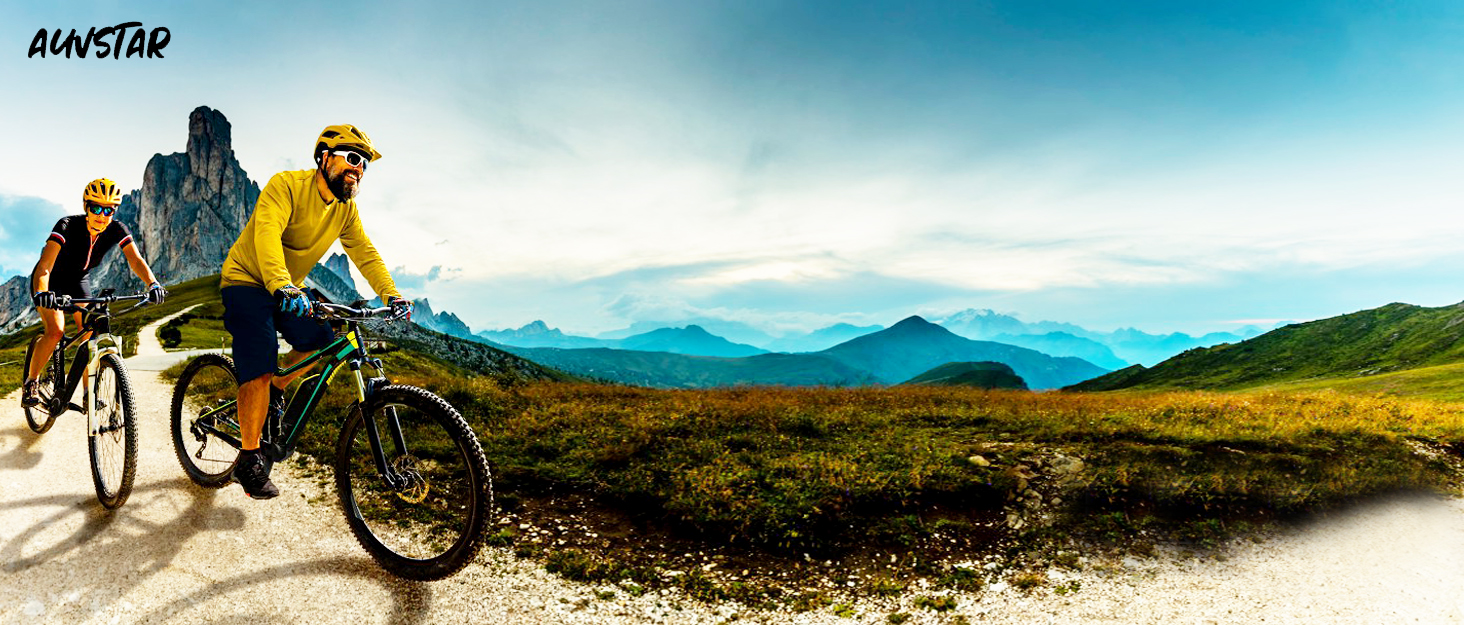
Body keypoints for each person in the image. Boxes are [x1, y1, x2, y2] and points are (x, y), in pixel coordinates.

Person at [220, 124, 412, 499]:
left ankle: (277, 387)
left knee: (322, 342)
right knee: (259, 362)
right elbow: (267, 233)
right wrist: (281, 284)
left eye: (365, 165)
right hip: (247, 280)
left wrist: (391, 293)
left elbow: (364, 252)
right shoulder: (287, 185)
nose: (358, 169)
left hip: (286, 286)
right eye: (352, 158)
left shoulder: (345, 209)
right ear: (324, 157)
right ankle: (248, 458)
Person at [24, 178, 166, 407]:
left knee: (89, 332)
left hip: (79, 280)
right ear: (86, 207)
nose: (102, 215)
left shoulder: (117, 229)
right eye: (96, 208)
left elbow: (136, 260)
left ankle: (88, 393)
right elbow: (45, 267)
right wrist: (43, 292)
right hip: (51, 280)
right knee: (56, 331)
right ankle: (32, 381)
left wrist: (153, 283)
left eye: (109, 209)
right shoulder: (67, 225)